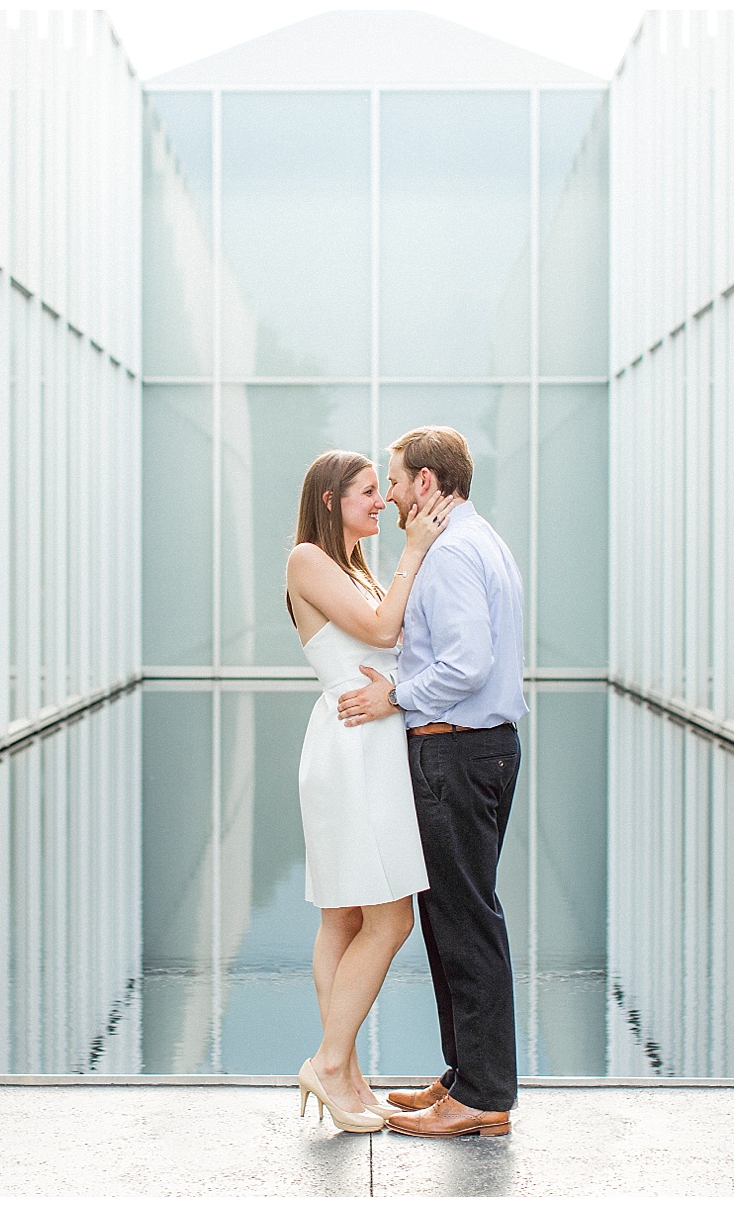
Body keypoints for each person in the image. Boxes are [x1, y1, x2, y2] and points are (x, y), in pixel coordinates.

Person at [337, 425, 526, 1139]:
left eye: (393, 480)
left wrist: (396, 695)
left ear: (425, 482)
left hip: (457, 753)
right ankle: (466, 1075)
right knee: (456, 915)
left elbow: (466, 664)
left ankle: (481, 1095)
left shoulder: (448, 554)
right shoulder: (481, 540)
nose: (387, 494)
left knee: (465, 920)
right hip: (480, 752)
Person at [284, 449, 459, 1134]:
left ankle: (347, 1075)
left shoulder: (354, 565)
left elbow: (390, 643)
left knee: (345, 919)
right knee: (388, 920)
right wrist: (415, 548)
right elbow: (384, 630)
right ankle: (330, 1064)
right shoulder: (307, 559)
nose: (381, 501)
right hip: (351, 749)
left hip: (366, 746)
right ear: (330, 500)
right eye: (366, 491)